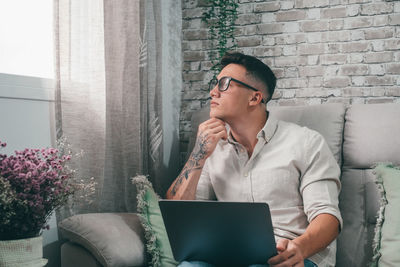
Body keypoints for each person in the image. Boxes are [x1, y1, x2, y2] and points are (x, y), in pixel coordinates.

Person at [166, 52, 342, 267]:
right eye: (215, 84)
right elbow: (179, 217)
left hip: (289, 257)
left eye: (224, 84)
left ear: (255, 97)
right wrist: (198, 154)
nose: (213, 92)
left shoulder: (306, 142)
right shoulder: (212, 148)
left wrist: (300, 248)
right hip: (226, 256)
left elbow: (328, 216)